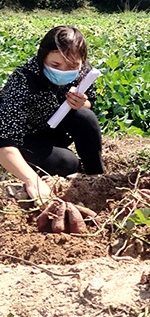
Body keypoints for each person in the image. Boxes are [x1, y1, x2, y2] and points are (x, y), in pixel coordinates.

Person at [0, 26, 104, 200]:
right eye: (55, 65)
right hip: (23, 137)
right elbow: (4, 140)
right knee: (67, 163)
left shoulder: (83, 70)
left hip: (53, 128)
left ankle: (97, 178)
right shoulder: (23, 80)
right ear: (43, 57)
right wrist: (31, 180)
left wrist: (81, 103)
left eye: (72, 65)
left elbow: (89, 102)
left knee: (86, 117)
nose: (63, 71)